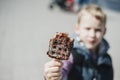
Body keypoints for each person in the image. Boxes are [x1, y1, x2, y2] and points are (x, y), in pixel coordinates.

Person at [44, 4, 114, 80]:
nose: (92, 34)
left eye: (98, 30)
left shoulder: (106, 59)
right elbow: (63, 71)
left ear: (104, 31)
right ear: (77, 28)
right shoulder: (71, 55)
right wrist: (54, 75)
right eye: (87, 28)